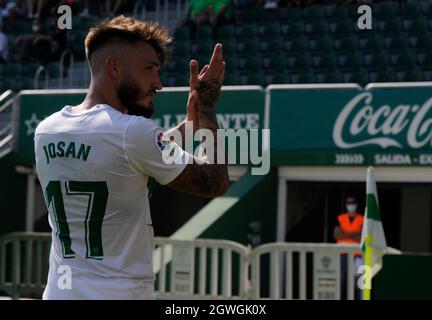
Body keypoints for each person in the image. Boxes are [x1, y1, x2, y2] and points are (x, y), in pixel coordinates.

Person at [34, 15, 229, 300]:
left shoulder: (46, 130)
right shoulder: (132, 132)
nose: (158, 83)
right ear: (114, 67)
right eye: (149, 70)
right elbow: (215, 180)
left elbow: (122, 158)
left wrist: (189, 125)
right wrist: (207, 108)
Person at [334, 196, 364, 300]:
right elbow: (337, 235)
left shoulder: (362, 219)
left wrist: (345, 233)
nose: (350, 205)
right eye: (348, 203)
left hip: (358, 255)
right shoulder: (340, 218)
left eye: (352, 202)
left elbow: (362, 237)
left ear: (356, 204)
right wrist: (355, 233)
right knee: (342, 281)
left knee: (360, 282)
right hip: (343, 254)